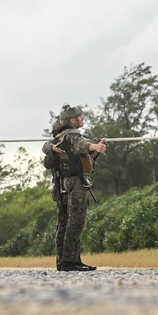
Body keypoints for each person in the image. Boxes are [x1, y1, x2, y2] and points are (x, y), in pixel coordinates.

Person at [42, 104, 107, 272]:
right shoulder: (71, 134)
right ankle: (70, 261)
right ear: (72, 120)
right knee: (76, 221)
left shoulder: (59, 137)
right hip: (75, 182)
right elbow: (81, 144)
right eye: (80, 117)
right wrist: (95, 147)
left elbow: (49, 152)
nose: (83, 119)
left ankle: (64, 261)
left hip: (64, 183)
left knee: (64, 223)